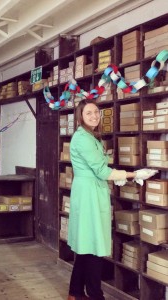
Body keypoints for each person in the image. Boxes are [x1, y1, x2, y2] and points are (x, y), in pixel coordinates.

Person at [67, 99, 157, 300]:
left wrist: (118, 176)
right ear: (80, 116)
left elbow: (99, 169)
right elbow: (101, 171)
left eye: (96, 113)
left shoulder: (91, 137)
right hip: (89, 194)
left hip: (91, 190)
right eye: (89, 113)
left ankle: (74, 293)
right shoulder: (83, 139)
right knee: (94, 246)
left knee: (85, 244)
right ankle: (95, 295)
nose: (94, 116)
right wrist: (134, 175)